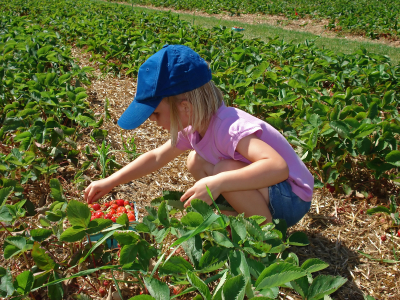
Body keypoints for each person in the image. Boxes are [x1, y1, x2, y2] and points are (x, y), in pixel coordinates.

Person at [84, 44, 313, 227]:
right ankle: (240, 212)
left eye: (156, 114)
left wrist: (218, 182)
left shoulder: (229, 127)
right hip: (270, 191)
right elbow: (156, 157)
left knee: (223, 170)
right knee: (195, 160)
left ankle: (264, 232)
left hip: (291, 198)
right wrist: (110, 181)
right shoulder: (194, 127)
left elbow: (278, 167)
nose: (153, 122)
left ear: (185, 108)